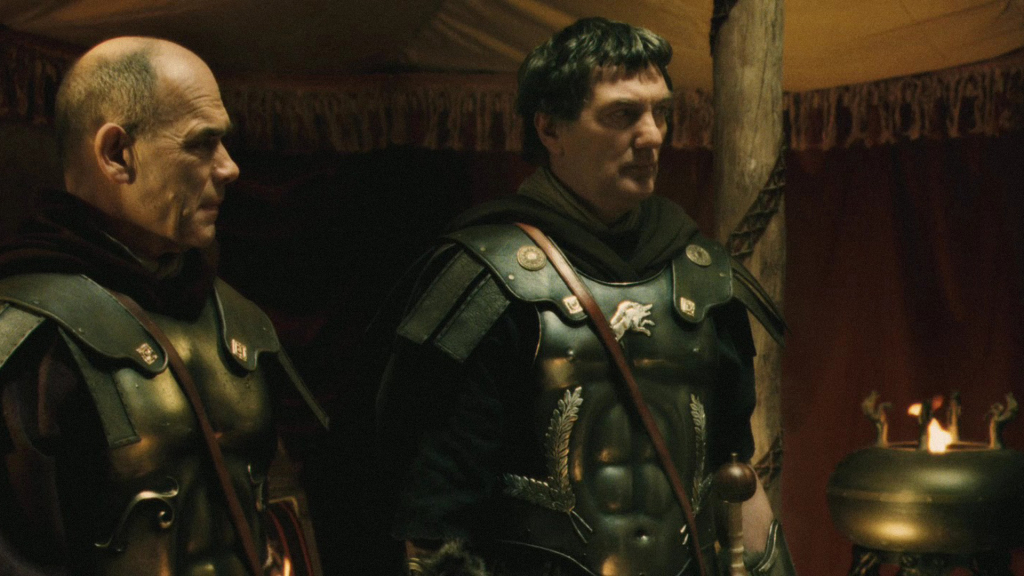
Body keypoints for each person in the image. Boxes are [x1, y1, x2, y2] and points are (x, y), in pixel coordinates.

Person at [376, 17, 796, 576]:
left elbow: (735, 475)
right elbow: (435, 517)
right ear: (551, 129)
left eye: (661, 112)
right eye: (623, 115)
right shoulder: (489, 280)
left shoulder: (702, 276)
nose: (653, 136)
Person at [0, 37, 325, 575]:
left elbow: (283, 509)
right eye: (202, 144)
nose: (230, 168)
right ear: (116, 154)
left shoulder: (239, 321)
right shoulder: (28, 339)